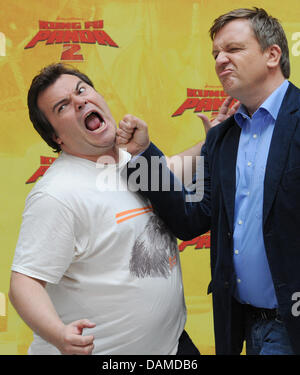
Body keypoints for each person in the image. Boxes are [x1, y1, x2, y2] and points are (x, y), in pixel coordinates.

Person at [117, 7, 300, 355]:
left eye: (233, 49)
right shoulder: (221, 138)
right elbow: (191, 219)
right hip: (241, 323)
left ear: (272, 54)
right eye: (216, 53)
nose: (220, 60)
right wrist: (142, 154)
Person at [9, 63, 205, 355]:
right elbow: (23, 284)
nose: (79, 101)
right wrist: (60, 335)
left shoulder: (128, 157)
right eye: (63, 106)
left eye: (81, 90)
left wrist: (213, 142)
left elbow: (169, 175)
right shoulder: (57, 194)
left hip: (173, 347)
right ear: (56, 138)